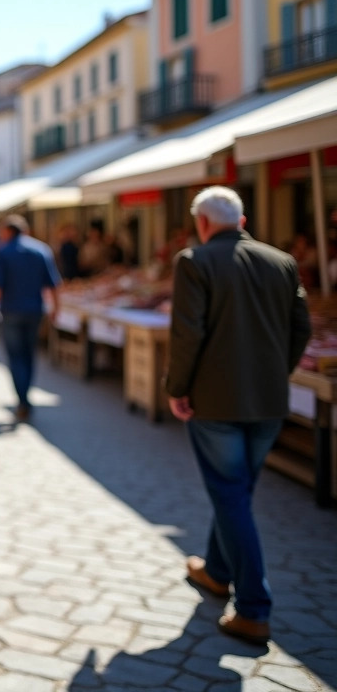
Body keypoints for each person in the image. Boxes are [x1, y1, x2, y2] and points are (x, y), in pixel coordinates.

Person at [166, 186, 310, 645]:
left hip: (216, 401)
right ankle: (216, 569)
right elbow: (301, 328)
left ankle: (252, 607)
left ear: (203, 224)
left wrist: (178, 389)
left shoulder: (195, 260)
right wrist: (275, 373)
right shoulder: (282, 261)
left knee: (231, 495)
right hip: (266, 401)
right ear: (242, 221)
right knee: (236, 491)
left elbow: (187, 333)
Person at [0, 215, 61, 421]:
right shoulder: (41, 250)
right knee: (29, 355)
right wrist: (57, 308)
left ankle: (22, 399)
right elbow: (54, 284)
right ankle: (25, 397)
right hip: (34, 310)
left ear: (7, 231)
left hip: (11, 310)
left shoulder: (3, 252)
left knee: (15, 357)